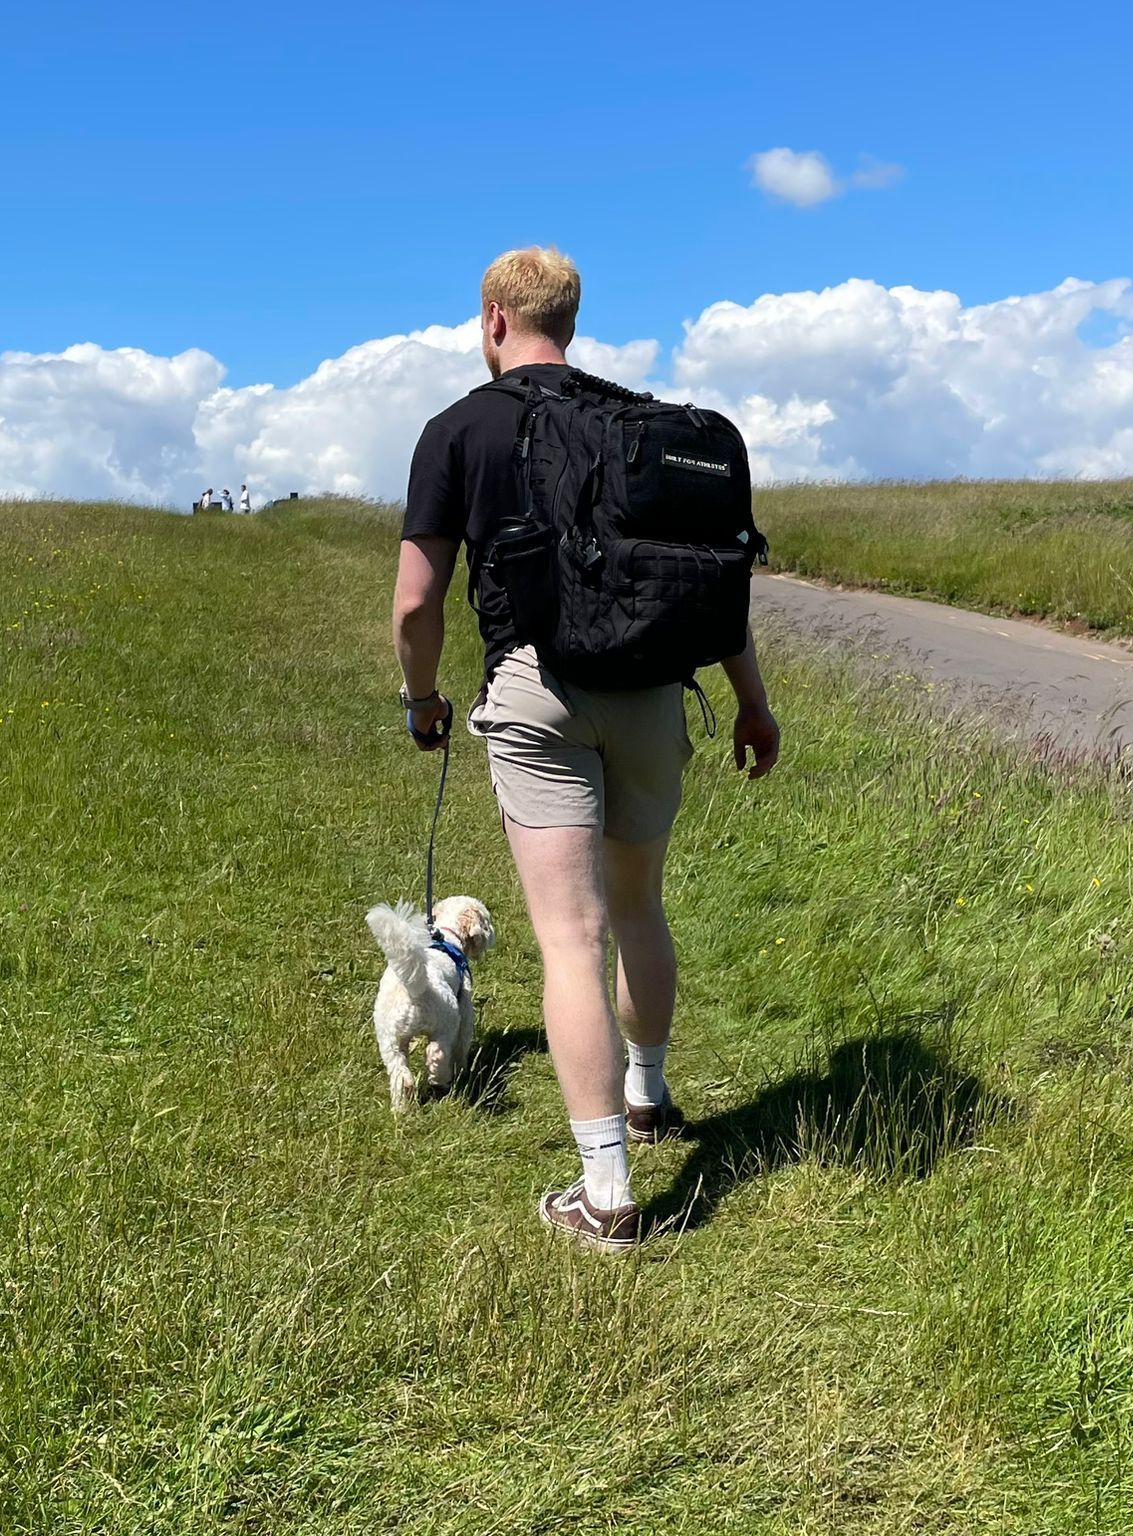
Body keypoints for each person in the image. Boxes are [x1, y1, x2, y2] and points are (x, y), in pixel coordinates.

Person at [391, 246, 781, 1251]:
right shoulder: (636, 421)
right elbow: (706, 584)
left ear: (491, 320)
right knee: (639, 906)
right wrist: (750, 704)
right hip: (654, 692)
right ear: (566, 317)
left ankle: (604, 1193)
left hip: (536, 689)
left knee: (569, 936)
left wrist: (421, 697)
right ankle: (648, 1101)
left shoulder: (456, 430)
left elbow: (414, 600)